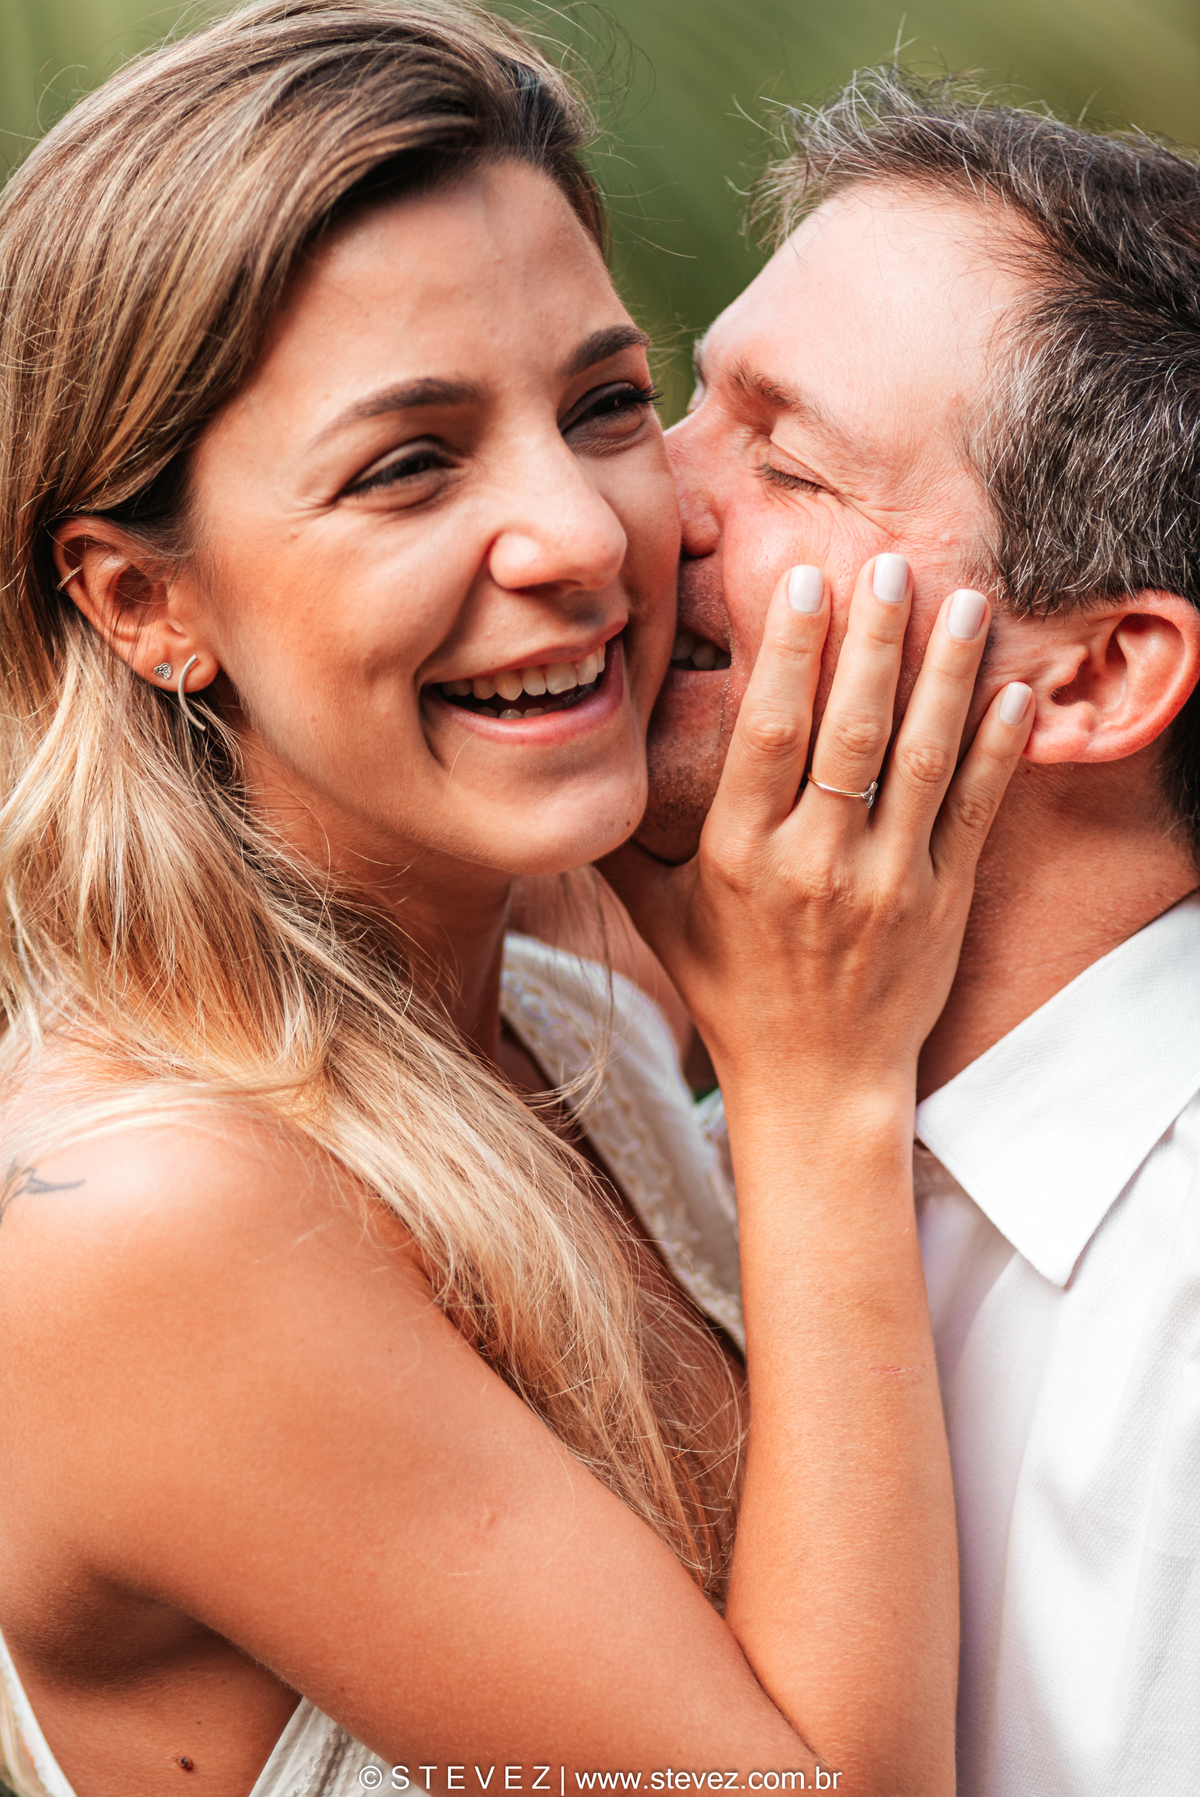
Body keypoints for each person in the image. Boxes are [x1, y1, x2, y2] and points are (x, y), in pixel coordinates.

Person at [0, 8, 1037, 1796]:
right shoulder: (157, 1220)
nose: (578, 533)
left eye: (605, 404)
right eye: (409, 464)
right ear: (140, 604)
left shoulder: (569, 1013)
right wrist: (809, 1088)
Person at [617, 70, 1200, 1797]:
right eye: (675, 406)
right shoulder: (656, 1094)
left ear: (1093, 677)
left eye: (785, 458)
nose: (637, 501)